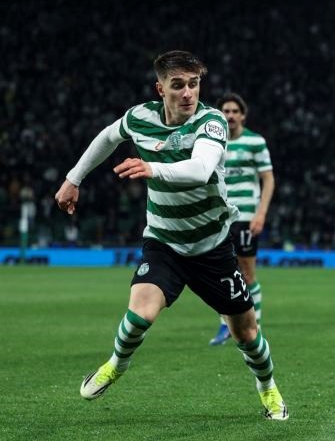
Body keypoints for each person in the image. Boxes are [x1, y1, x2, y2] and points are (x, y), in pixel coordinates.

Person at [53, 50, 288, 420]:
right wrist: (73, 178)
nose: (187, 93)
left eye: (193, 84)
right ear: (159, 88)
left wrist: (152, 167)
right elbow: (107, 137)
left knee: (246, 333)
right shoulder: (140, 117)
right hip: (164, 241)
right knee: (141, 311)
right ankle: (116, 364)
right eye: (177, 85)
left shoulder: (211, 122)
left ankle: (268, 388)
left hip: (212, 246)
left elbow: (200, 168)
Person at [209, 92, 275, 345]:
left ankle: (254, 325)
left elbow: (268, 178)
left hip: (246, 216)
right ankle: (225, 326)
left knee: (247, 274)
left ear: (243, 116)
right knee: (220, 273)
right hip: (219, 217)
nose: (230, 115)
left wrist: (261, 213)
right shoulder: (213, 143)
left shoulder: (255, 142)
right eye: (226, 111)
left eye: (235, 111)